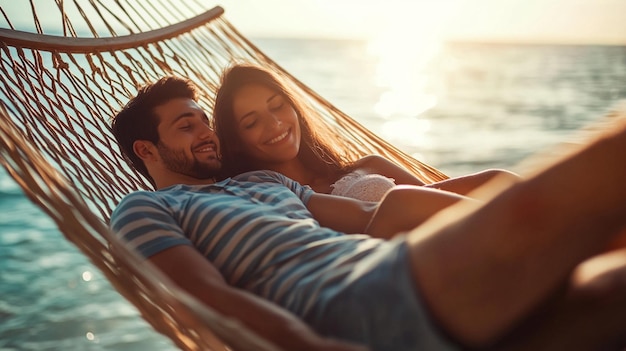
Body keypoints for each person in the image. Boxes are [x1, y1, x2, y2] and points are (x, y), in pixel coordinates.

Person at [110, 76, 626, 351]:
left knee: (611, 296)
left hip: (390, 268)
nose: (207, 133)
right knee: (606, 165)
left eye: (205, 121)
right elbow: (203, 298)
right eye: (185, 126)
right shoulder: (143, 209)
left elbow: (370, 214)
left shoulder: (262, 181)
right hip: (350, 306)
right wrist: (307, 346)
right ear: (146, 150)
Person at [212, 63, 520, 202]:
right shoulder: (265, 201)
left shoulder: (370, 165)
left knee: (500, 179)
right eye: (252, 122)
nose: (275, 124)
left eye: (277, 106)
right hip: (408, 279)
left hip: (451, 242)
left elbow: (438, 200)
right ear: (237, 143)